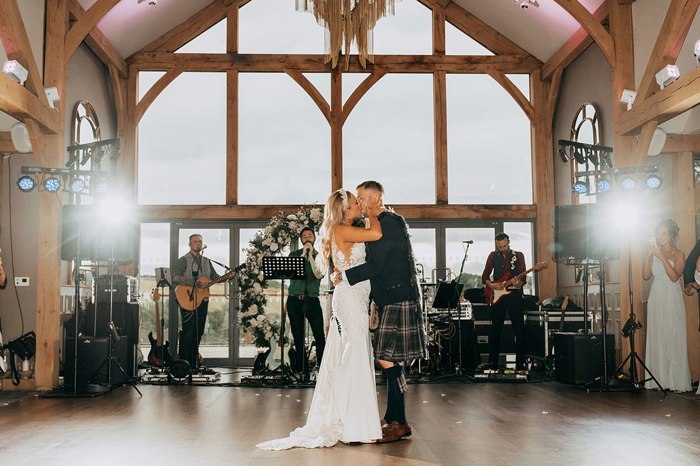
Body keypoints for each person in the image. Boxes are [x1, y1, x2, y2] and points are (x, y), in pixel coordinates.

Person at [257, 188, 383, 450]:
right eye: (355, 202)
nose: (359, 205)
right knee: (355, 356)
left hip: (354, 295)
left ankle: (356, 422)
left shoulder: (343, 229)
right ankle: (354, 425)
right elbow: (376, 234)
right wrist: (372, 210)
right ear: (346, 208)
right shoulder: (341, 229)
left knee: (354, 355)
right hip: (349, 299)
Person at [339, 180, 428, 443]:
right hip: (395, 297)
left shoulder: (388, 221)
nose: (358, 202)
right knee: (394, 361)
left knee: (386, 358)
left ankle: (399, 421)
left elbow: (376, 265)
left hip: (398, 296)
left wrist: (344, 275)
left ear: (375, 196)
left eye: (360, 197)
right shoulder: (383, 221)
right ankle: (394, 418)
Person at [642, 219, 692, 392]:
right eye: (658, 233)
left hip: (672, 296)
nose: (660, 237)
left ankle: (677, 381)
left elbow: (674, 277)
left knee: (673, 334)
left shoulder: (679, 254)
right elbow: (646, 275)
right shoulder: (653, 251)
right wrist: (649, 255)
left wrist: (663, 259)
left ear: (670, 235)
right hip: (656, 296)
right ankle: (659, 380)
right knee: (658, 336)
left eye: (663, 233)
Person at [172, 234, 220, 369]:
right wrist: (193, 284)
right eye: (195, 242)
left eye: (200, 241)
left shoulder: (207, 261)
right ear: (189, 244)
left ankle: (193, 363)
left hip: (203, 301)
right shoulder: (183, 260)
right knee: (188, 332)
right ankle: (183, 365)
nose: (198, 244)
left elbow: (215, 277)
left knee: (199, 331)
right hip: (188, 299)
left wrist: (226, 277)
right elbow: (175, 277)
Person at [481, 233, 526, 371]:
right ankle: (493, 364)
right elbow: (485, 275)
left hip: (514, 294)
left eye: (504, 245)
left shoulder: (518, 255)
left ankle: (520, 365)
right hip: (497, 294)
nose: (502, 248)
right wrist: (491, 285)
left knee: (519, 330)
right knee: (495, 330)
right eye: (499, 246)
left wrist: (519, 284)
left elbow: (523, 278)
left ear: (509, 242)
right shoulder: (493, 255)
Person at [287, 226, 325, 375]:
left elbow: (318, 275)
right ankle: (303, 370)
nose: (307, 238)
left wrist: (310, 257)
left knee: (319, 335)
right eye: (304, 236)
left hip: (312, 300)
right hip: (294, 300)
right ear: (301, 240)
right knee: (298, 336)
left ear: (314, 239)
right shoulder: (293, 255)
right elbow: (294, 273)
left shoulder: (320, 256)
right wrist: (303, 255)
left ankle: (322, 368)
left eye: (310, 235)